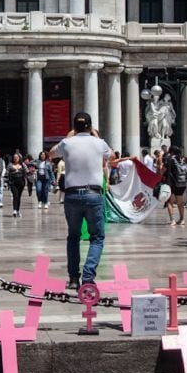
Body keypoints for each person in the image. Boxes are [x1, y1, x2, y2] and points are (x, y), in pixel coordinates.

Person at [53, 111, 117, 295]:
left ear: (74, 127)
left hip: (72, 195)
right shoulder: (99, 143)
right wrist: (97, 136)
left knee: (73, 237)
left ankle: (73, 278)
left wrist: (68, 137)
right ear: (90, 127)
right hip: (93, 194)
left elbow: (51, 154)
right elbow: (111, 156)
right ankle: (88, 278)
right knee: (97, 237)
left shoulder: (67, 142)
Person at [5, 152, 28, 216]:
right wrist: (6, 183)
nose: (15, 159)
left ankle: (18, 210)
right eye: (14, 157)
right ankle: (14, 210)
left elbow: (27, 172)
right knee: (15, 196)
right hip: (13, 183)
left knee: (19, 197)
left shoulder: (23, 165)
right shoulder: (10, 165)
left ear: (19, 158)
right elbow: (6, 174)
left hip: (21, 183)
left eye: (17, 157)